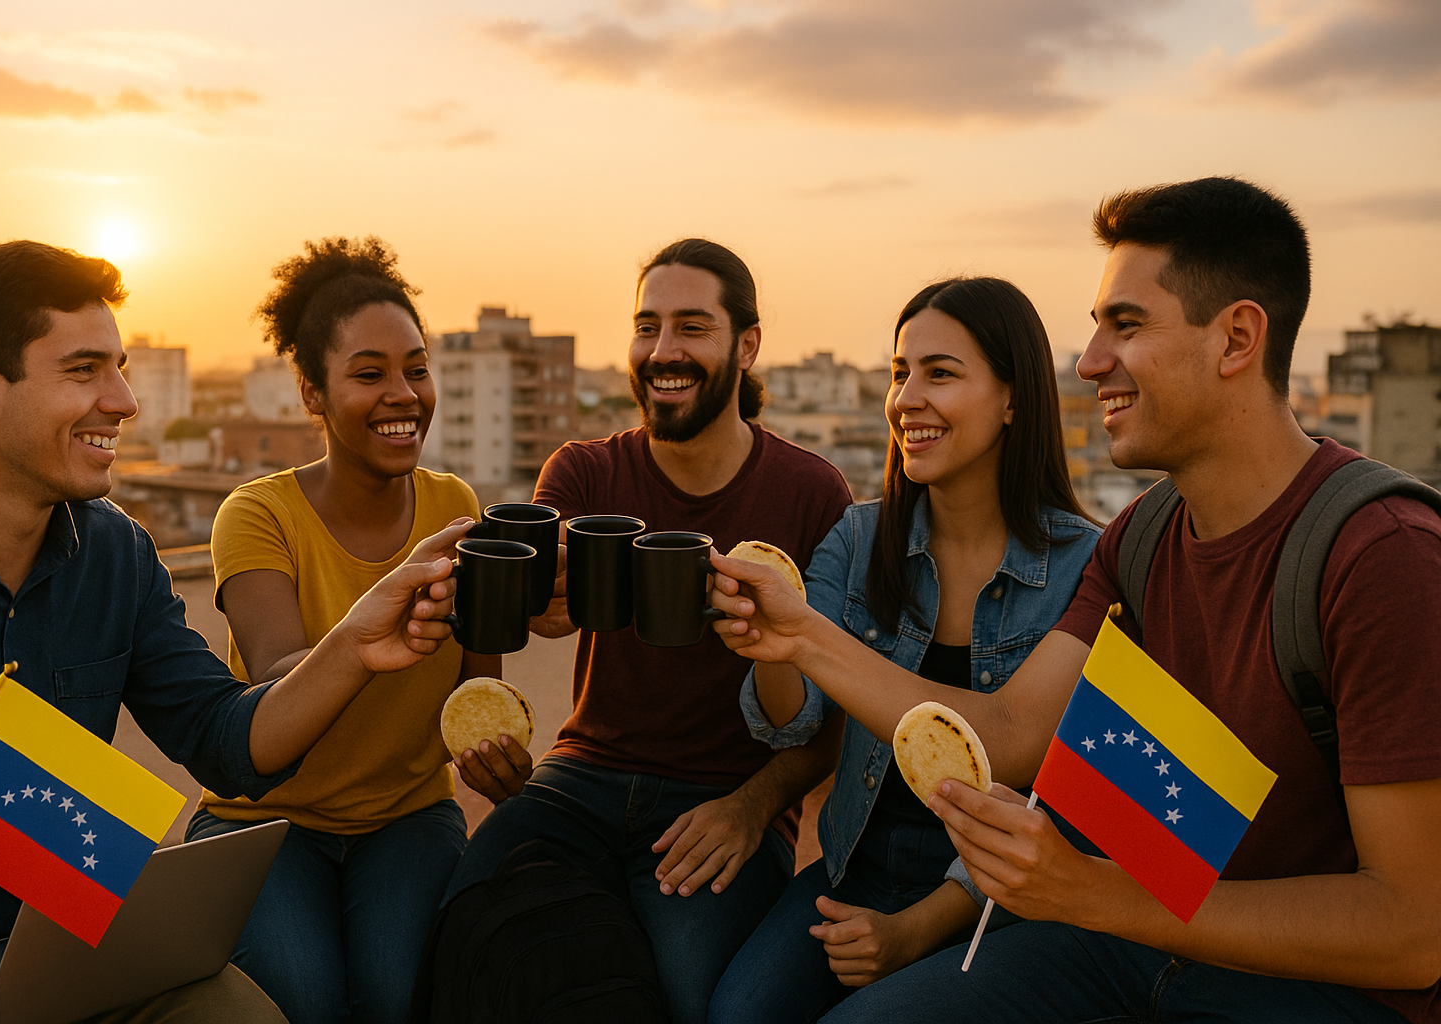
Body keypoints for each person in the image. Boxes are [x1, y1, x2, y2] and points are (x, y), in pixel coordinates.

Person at [710, 177, 1441, 1024]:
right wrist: (798, 634)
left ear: (1238, 338)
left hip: (1306, 986)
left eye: (1124, 325)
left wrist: (1094, 893)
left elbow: (1412, 931)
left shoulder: (1381, 554)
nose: (1090, 361)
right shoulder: (1141, 537)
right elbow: (1013, 735)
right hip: (1138, 939)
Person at [0, 240, 465, 1023]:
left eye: (121, 366)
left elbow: (226, 744)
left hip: (77, 937)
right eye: (83, 370)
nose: (126, 400)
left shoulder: (116, 554)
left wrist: (354, 644)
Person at [442, 238, 855, 1024]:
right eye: (647, 326)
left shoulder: (812, 492)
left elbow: (831, 713)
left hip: (725, 797)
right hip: (583, 774)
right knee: (468, 927)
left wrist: (753, 806)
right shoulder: (585, 471)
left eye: (692, 327)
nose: (663, 351)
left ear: (747, 345)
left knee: (692, 997)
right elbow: (526, 604)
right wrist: (497, 684)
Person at [707, 277, 1100, 1024]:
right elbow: (789, 723)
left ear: (1014, 399)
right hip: (856, 867)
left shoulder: (1085, 565)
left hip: (995, 906)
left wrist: (913, 930)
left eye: (940, 373)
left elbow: (1063, 794)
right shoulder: (860, 538)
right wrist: (768, 646)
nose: (906, 398)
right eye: (899, 373)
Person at [182, 238, 513, 1024]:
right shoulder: (259, 513)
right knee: (305, 1002)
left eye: (417, 369)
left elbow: (476, 689)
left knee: (401, 998)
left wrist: (494, 748)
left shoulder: (452, 504)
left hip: (405, 815)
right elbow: (273, 675)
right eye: (369, 374)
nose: (404, 394)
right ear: (312, 393)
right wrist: (374, 627)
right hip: (263, 821)